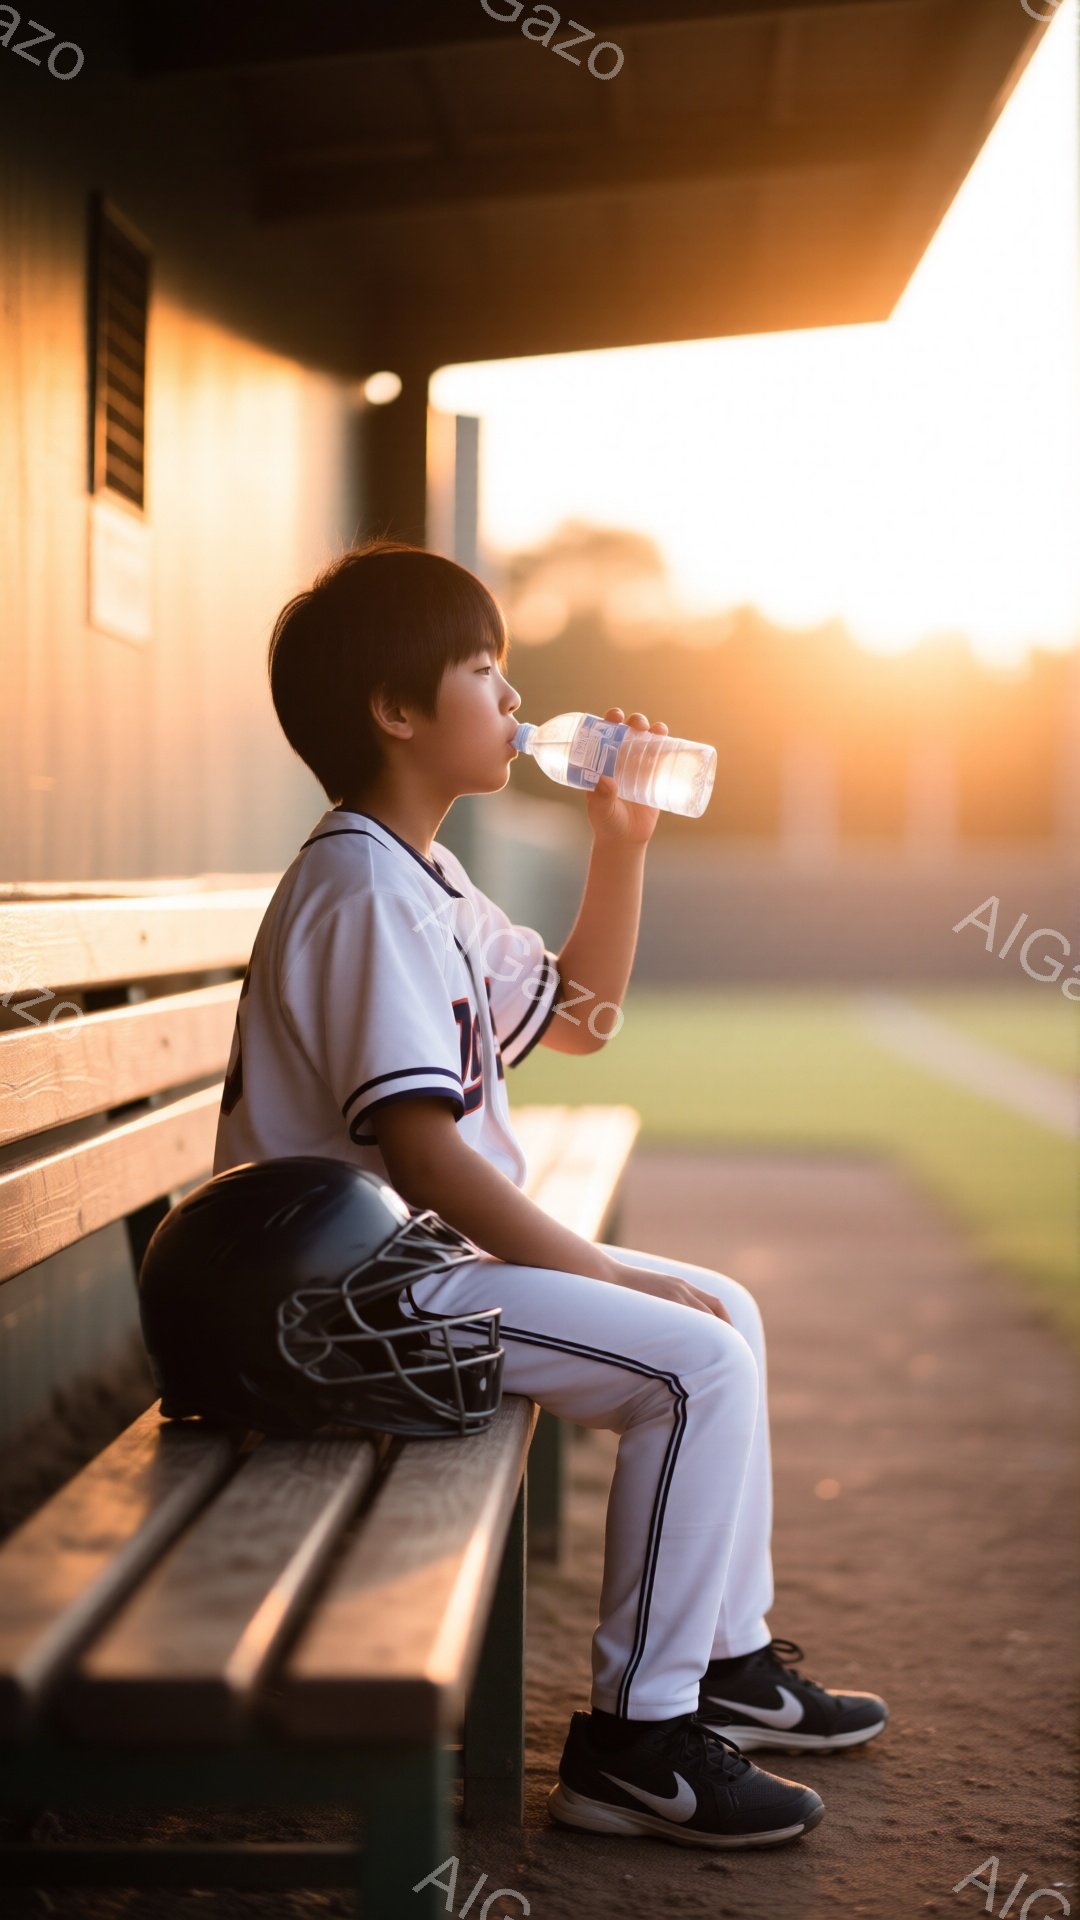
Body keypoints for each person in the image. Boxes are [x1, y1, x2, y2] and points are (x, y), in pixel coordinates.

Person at [213, 537, 888, 1850]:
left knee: (721, 1311)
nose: (516, 701)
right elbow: (424, 1155)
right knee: (693, 1360)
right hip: (348, 1307)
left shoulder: (427, 874)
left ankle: (726, 1665)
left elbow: (580, 1019)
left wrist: (618, 841)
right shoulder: (359, 885)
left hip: (400, 1276)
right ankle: (635, 1748)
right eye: (485, 670)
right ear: (397, 712)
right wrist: (600, 1266)